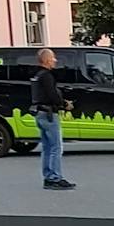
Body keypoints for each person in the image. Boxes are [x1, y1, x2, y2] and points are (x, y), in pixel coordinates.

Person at [32, 47, 74, 190]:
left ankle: (48, 177)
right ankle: (55, 178)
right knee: (56, 147)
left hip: (40, 114)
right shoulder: (47, 76)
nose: (55, 60)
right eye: (53, 58)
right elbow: (52, 95)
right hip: (49, 115)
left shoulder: (37, 75)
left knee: (47, 148)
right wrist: (64, 105)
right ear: (47, 60)